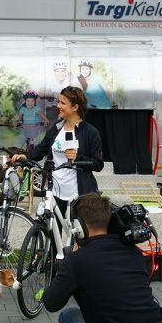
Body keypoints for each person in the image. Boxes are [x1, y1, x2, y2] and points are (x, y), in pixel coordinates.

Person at [42, 193, 162, 323]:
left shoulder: (77, 260)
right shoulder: (134, 253)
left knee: (69, 316)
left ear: (79, 226)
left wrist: (66, 264)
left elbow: (51, 303)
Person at [13, 86, 104, 222]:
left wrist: (77, 158)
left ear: (75, 107)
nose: (58, 106)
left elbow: (98, 164)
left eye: (63, 103)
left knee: (78, 237)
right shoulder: (56, 128)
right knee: (53, 234)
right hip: (54, 192)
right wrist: (25, 156)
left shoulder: (90, 132)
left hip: (79, 194)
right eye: (58, 102)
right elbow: (41, 150)